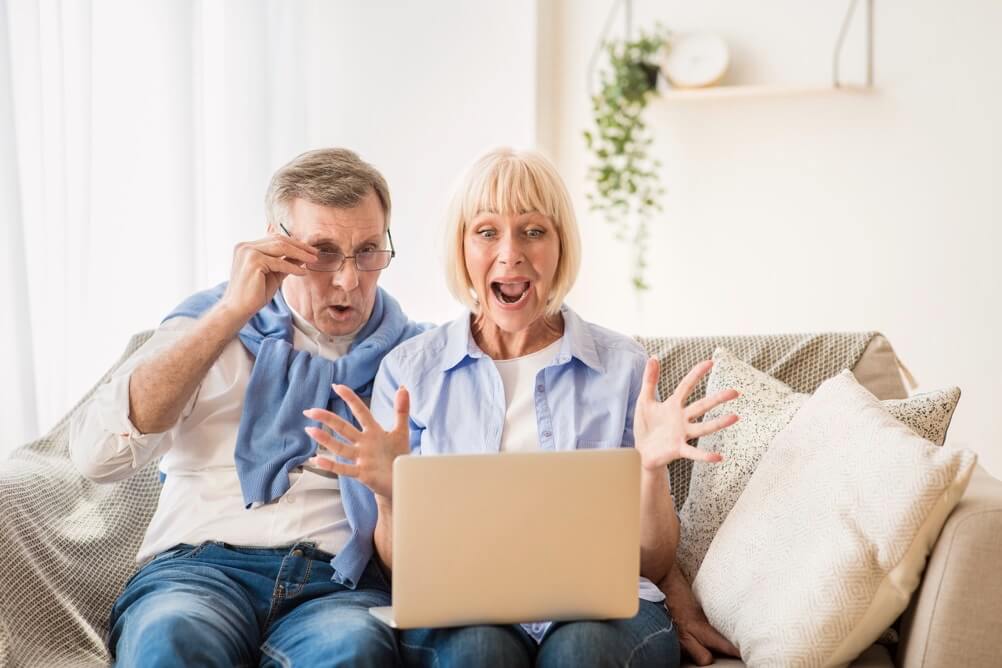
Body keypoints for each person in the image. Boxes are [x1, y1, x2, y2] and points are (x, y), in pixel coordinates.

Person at [304, 147, 741, 667]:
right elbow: (403, 572)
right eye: (487, 232)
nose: (510, 253)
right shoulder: (410, 373)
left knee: (582, 649)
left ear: (561, 246)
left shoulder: (623, 366)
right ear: (461, 247)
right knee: (479, 650)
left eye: (533, 231)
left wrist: (650, 469)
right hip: (464, 611)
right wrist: (390, 494)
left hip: (604, 615)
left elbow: (651, 563)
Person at [69, 148, 427, 667]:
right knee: (169, 638)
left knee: (355, 650)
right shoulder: (205, 326)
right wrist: (232, 313)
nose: (349, 280)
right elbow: (95, 457)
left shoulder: (415, 359)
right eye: (323, 252)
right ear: (277, 245)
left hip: (337, 583)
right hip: (197, 570)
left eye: (368, 251)